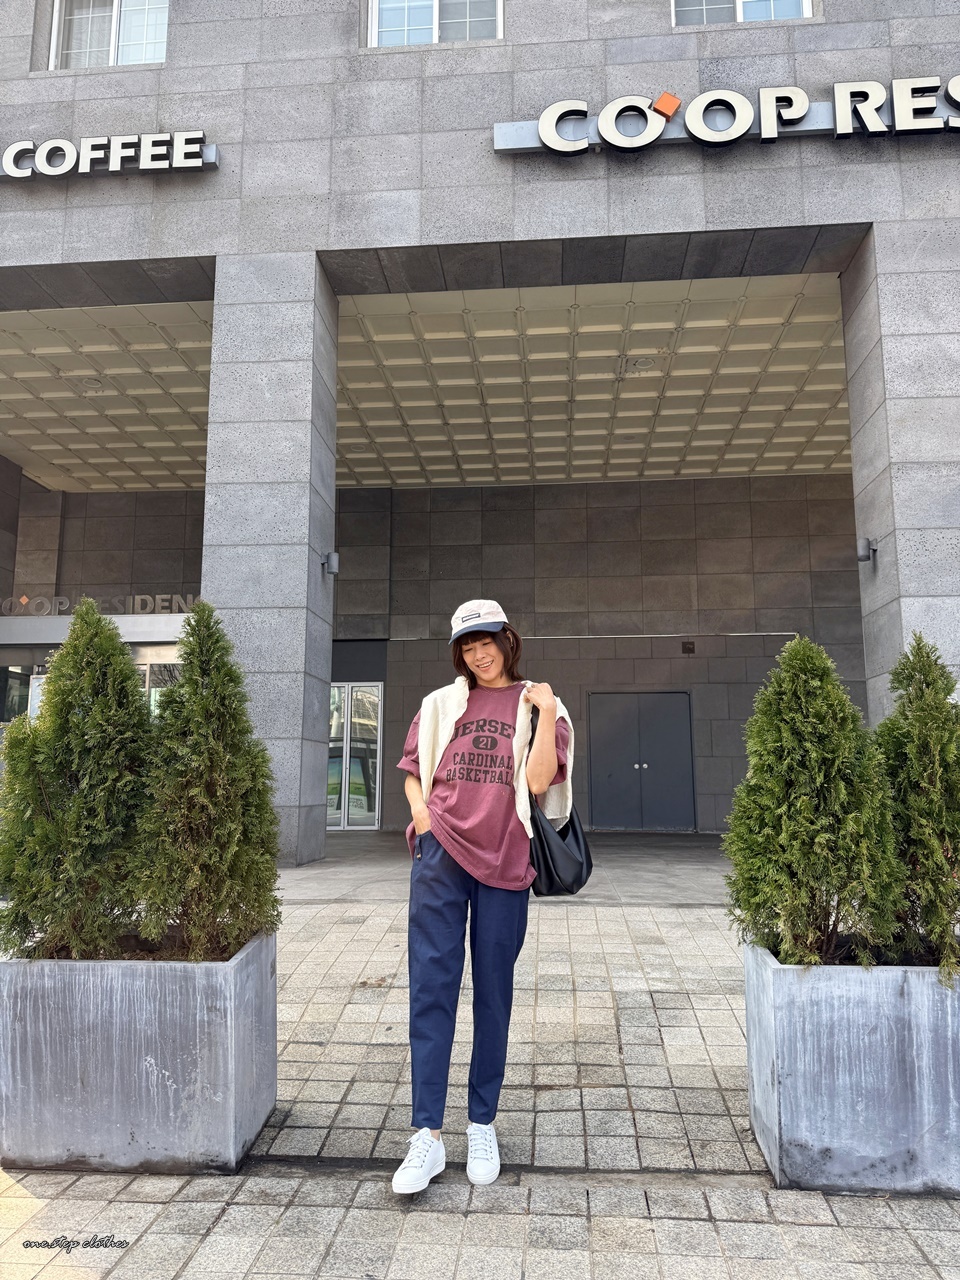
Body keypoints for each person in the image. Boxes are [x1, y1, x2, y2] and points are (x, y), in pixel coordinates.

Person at [392, 598, 575, 1194]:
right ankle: (427, 1135)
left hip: (504, 859)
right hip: (441, 855)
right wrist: (423, 818)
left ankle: (481, 1123)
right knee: (431, 989)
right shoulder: (440, 703)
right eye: (468, 646)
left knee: (493, 995)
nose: (479, 654)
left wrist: (546, 710)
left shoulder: (537, 705)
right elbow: (414, 769)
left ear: (507, 641)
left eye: (487, 641)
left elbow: (539, 781)